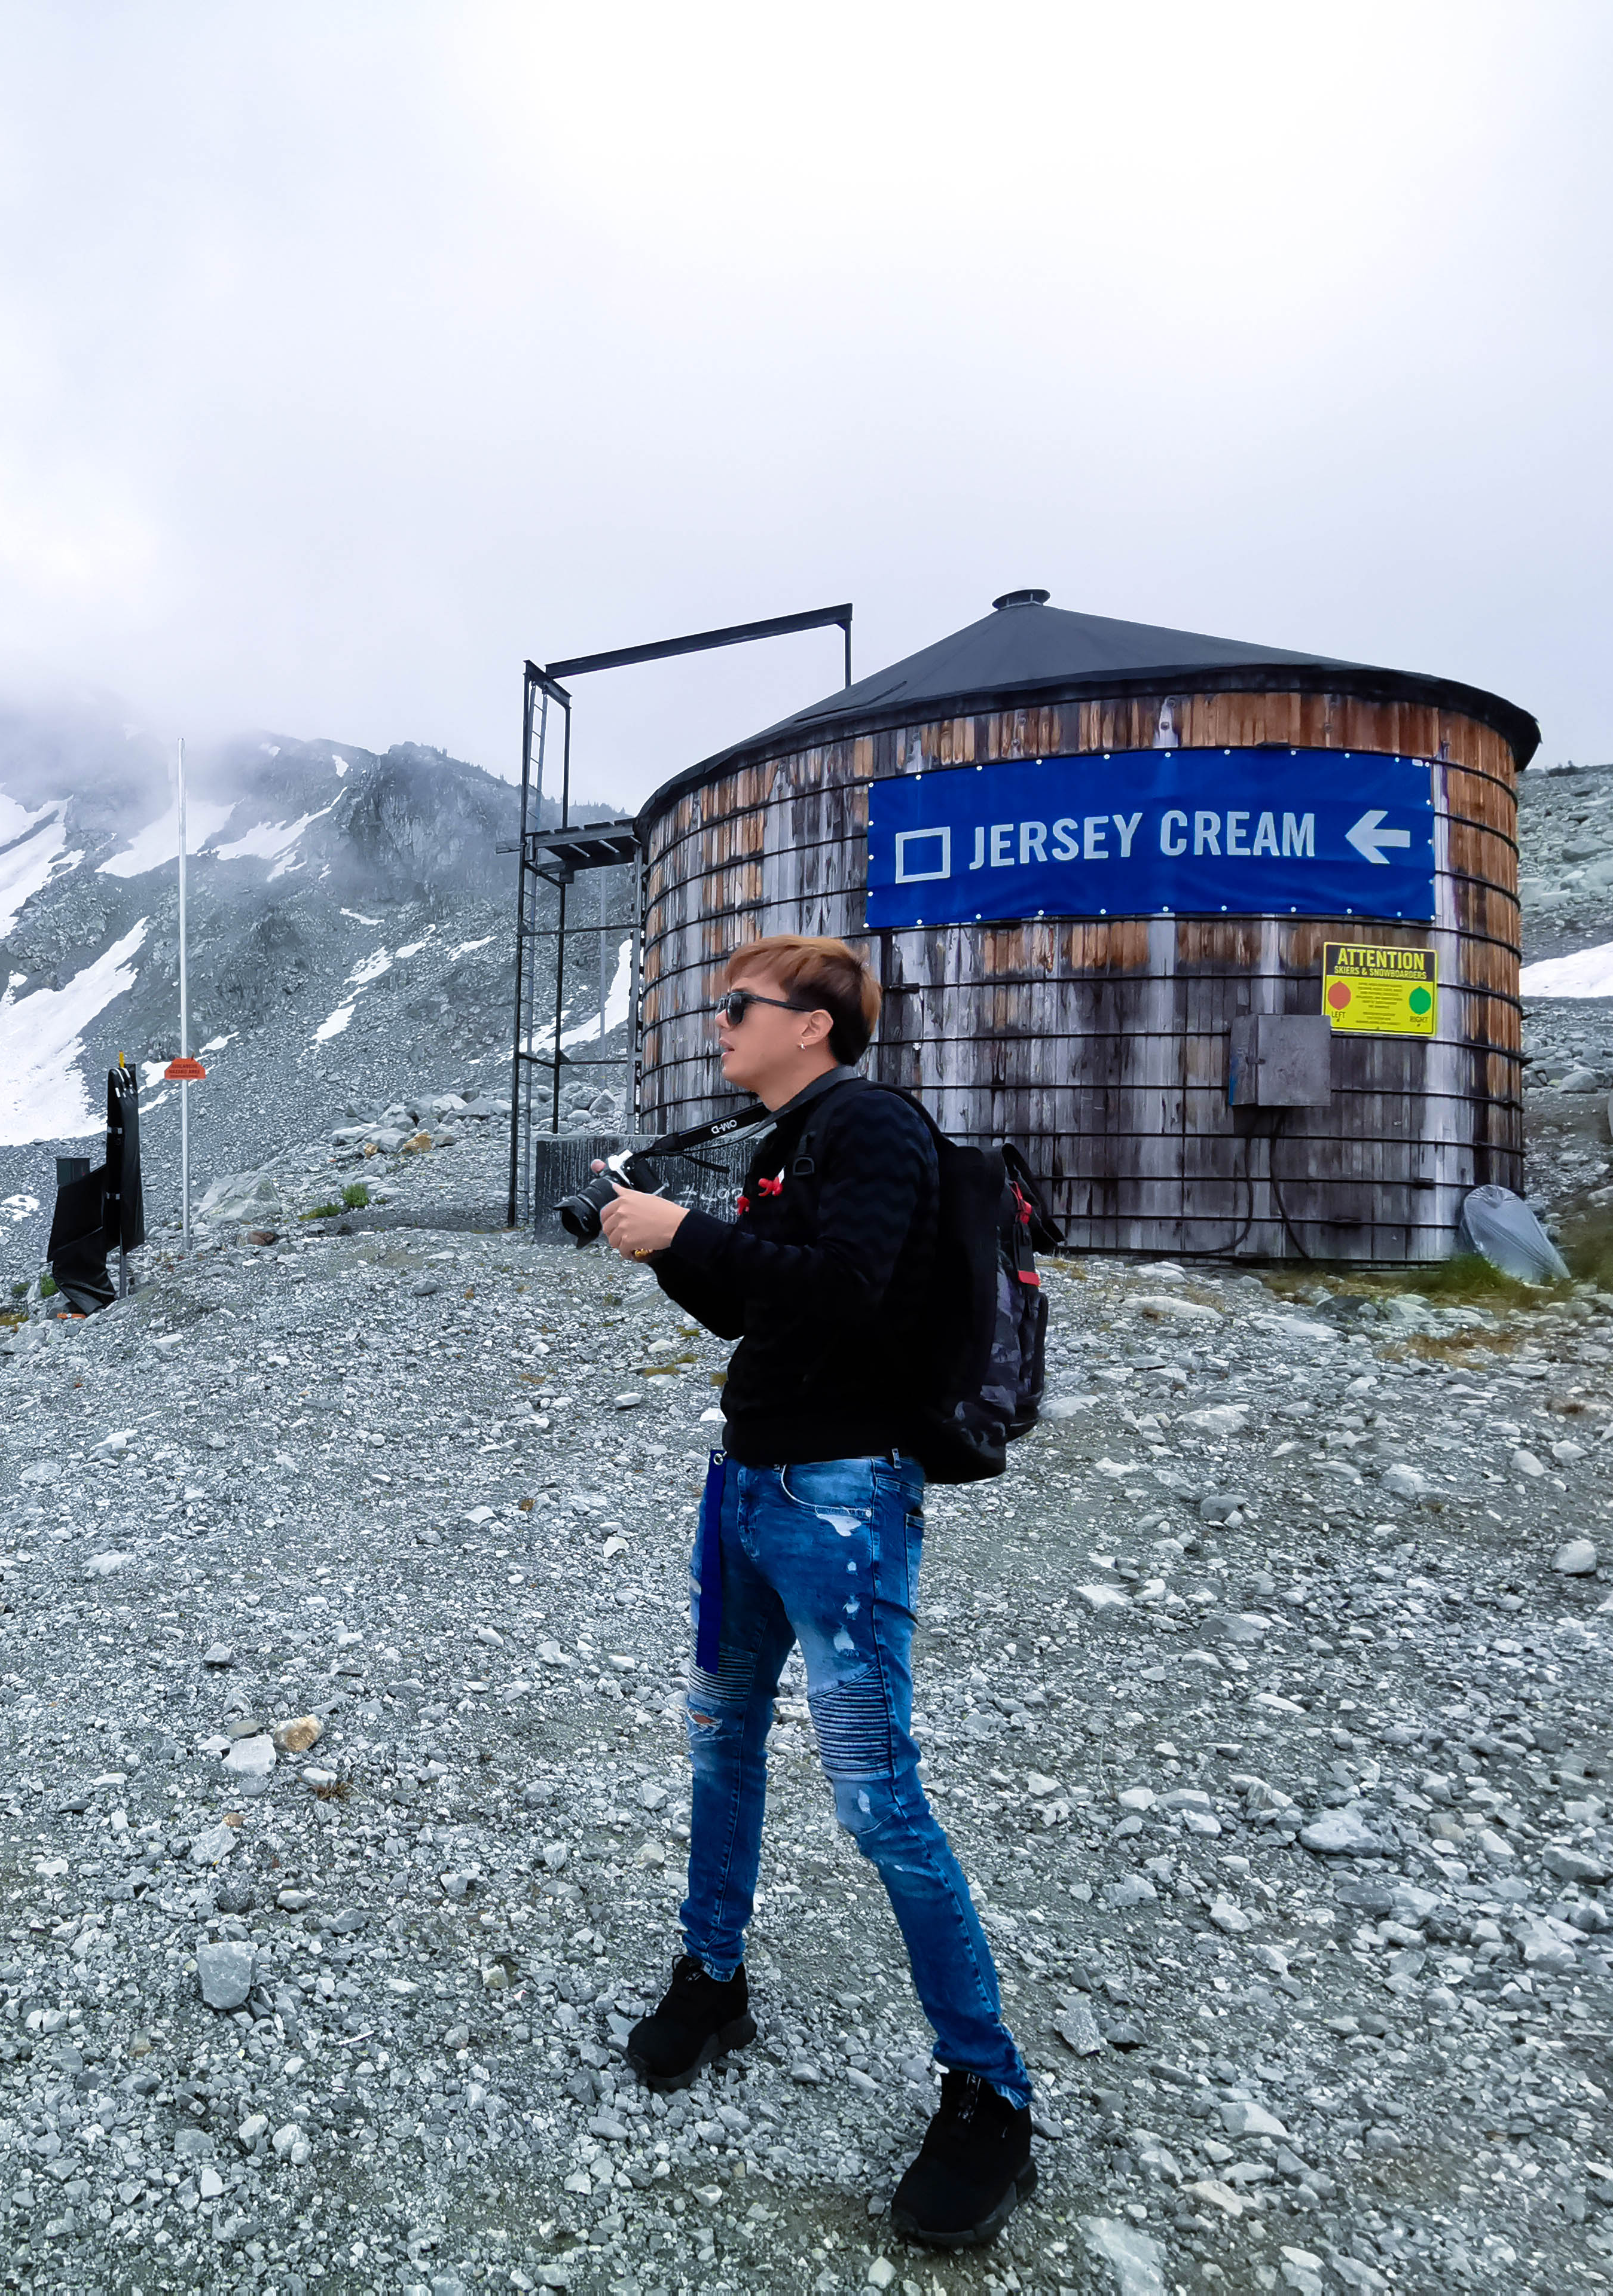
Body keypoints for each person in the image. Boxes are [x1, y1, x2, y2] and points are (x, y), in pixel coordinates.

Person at [593, 932, 1037, 2252]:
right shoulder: (786, 1143)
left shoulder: (873, 1130)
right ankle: (713, 1976)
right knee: (722, 1744)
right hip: (746, 1492)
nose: (718, 1025)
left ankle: (988, 2093)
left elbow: (848, 1292)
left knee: (875, 1797)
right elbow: (752, 1313)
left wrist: (691, 1229)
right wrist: (664, 1244)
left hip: (841, 1503)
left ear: (816, 1025)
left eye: (740, 1007)